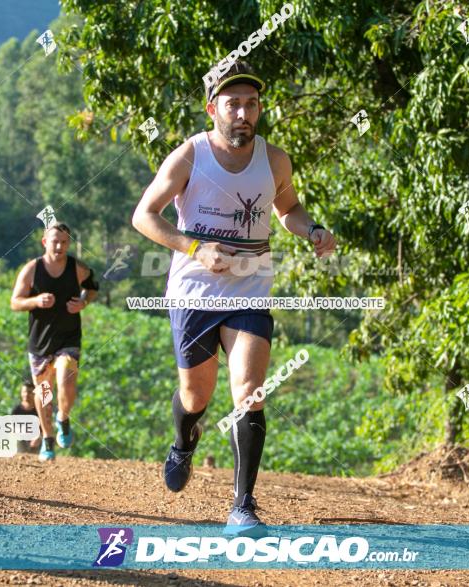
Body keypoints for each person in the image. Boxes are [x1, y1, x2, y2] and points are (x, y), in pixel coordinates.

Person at [131, 61, 336, 534]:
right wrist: (195, 249)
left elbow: (288, 208)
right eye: (233, 104)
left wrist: (312, 230)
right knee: (195, 395)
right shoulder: (189, 156)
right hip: (194, 291)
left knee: (249, 392)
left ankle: (242, 506)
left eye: (251, 104)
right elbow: (144, 216)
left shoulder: (276, 159)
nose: (243, 113)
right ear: (213, 109)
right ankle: (184, 442)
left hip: (250, 288)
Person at [10, 223, 99, 462]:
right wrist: (36, 301)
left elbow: (92, 288)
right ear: (44, 242)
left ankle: (63, 418)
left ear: (69, 244)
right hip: (40, 342)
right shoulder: (32, 270)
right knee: (45, 392)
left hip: (68, 338)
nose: (59, 246)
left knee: (65, 377)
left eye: (64, 242)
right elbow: (15, 302)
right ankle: (48, 438)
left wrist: (83, 302)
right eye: (55, 241)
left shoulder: (77, 268)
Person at [11, 364, 40, 453]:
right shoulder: (17, 410)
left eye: (29, 392)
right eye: (24, 392)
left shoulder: (38, 410)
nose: (26, 395)